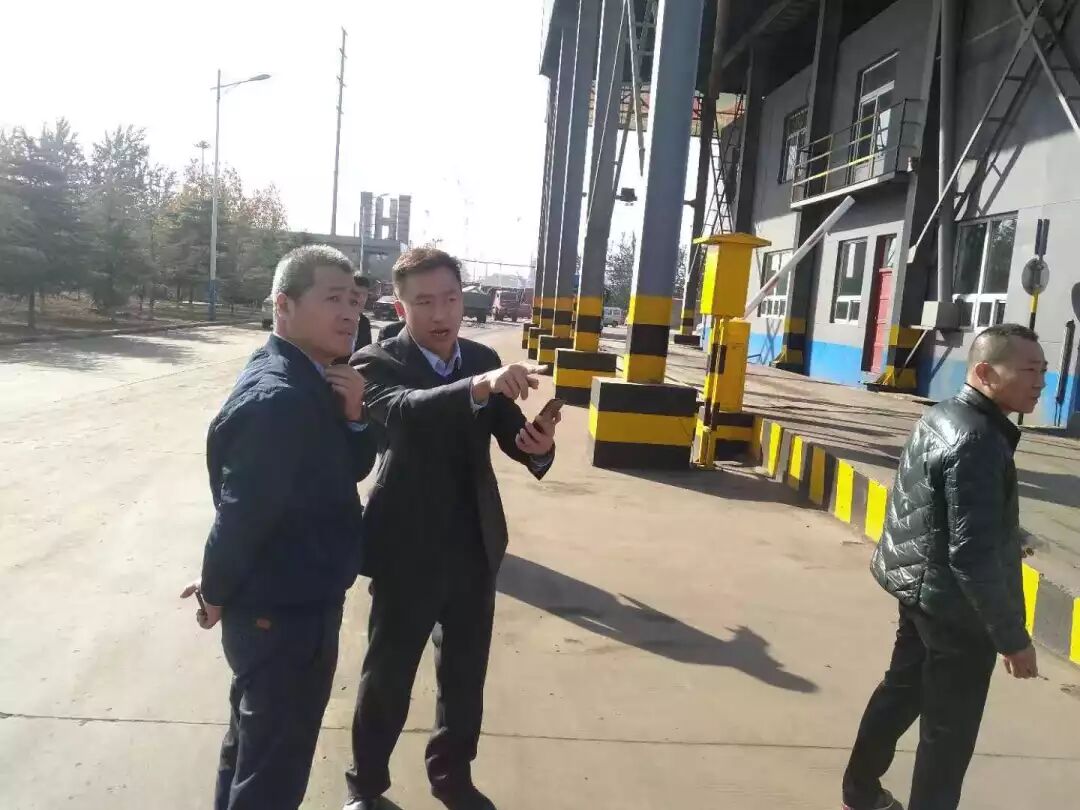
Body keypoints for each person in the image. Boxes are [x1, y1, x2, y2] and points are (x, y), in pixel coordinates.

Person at [344, 247, 559, 810]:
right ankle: (366, 786)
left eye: (450, 299)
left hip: (474, 545)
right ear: (401, 307)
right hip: (406, 548)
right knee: (387, 676)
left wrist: (537, 446)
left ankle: (452, 778)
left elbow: (511, 434)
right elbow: (406, 411)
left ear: (464, 299)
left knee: (464, 679)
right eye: (424, 302)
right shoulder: (376, 361)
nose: (440, 314)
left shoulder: (481, 357)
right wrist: (479, 387)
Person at [181, 244, 377, 810]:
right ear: (283, 305)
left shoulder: (314, 378)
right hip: (284, 615)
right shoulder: (281, 398)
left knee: (252, 751)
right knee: (272, 773)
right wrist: (216, 590)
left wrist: (355, 417)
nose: (349, 314)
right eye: (333, 299)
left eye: (354, 301)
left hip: (288, 602)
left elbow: (344, 469)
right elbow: (243, 513)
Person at [841, 323, 1047, 810]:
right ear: (985, 373)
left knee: (900, 692)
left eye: (1043, 370)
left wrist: (1008, 534)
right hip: (956, 610)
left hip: (919, 590)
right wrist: (1011, 638)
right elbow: (970, 554)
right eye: (1028, 371)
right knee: (948, 734)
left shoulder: (945, 414)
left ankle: (859, 791)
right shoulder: (978, 439)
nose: (1040, 382)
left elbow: (939, 503)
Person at [353, 272, 374, 353]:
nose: (361, 299)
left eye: (364, 294)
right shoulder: (335, 319)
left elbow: (367, 353)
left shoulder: (365, 322)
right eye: (356, 294)